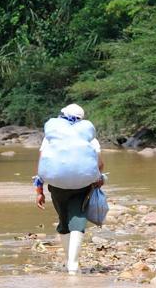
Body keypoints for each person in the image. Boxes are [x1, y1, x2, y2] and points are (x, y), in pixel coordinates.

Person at [33, 103, 105, 274]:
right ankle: (73, 264)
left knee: (64, 221)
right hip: (82, 185)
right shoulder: (89, 137)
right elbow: (99, 164)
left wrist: (39, 191)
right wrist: (98, 178)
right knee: (78, 219)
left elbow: (42, 163)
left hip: (57, 186)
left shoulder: (51, 136)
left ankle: (69, 262)